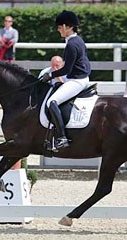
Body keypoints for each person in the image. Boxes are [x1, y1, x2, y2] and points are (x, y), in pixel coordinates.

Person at [40, 10, 91, 152]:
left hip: (77, 80)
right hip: (77, 76)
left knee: (51, 102)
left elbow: (66, 69)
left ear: (68, 26)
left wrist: (50, 75)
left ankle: (62, 137)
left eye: (59, 27)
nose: (58, 30)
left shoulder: (72, 44)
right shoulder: (77, 40)